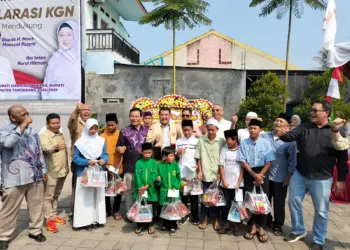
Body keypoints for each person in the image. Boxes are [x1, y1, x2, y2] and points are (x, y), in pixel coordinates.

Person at [278, 101, 348, 250]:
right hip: (300, 173)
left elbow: (342, 158)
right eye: (311, 110)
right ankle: (298, 230)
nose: (311, 113)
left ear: (326, 113)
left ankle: (318, 239)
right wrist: (282, 133)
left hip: (322, 178)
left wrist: (341, 179)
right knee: (293, 202)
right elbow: (289, 137)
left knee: (321, 211)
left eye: (315, 110)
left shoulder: (336, 132)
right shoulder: (304, 127)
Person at [0, 105, 47, 250]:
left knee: (36, 205)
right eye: (22, 114)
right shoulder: (4, 130)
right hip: (13, 177)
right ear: (13, 117)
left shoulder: (32, 131)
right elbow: (8, 144)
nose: (26, 115)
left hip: (34, 175)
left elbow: (38, 151)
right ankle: (4, 236)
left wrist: (43, 169)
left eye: (27, 112)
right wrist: (23, 125)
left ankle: (35, 231)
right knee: (9, 209)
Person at [238, 118, 275, 243]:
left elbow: (269, 161)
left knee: (262, 201)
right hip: (250, 172)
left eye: (255, 128)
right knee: (250, 200)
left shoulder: (266, 143)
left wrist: (260, 175)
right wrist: (254, 175)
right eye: (250, 128)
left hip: (263, 173)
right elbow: (243, 161)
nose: (252, 130)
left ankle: (261, 227)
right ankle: (252, 226)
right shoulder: (244, 143)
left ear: (260, 130)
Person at [261, 113, 297, 236]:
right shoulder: (265, 136)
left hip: (280, 177)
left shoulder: (290, 141)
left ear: (287, 125)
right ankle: (266, 220)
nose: (278, 123)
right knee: (265, 200)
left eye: (281, 121)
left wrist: (288, 177)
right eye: (276, 120)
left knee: (279, 202)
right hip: (265, 176)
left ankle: (278, 225)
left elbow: (292, 160)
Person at [72, 118, 109, 231]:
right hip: (85, 172)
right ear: (86, 128)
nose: (93, 131)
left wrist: (104, 160)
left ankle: (97, 219)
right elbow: (76, 158)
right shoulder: (80, 142)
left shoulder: (101, 141)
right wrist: (87, 162)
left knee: (98, 195)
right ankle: (86, 221)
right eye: (91, 128)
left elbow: (105, 154)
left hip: (97, 172)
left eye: (95, 128)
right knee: (85, 197)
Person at [40, 113, 69, 233]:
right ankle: (48, 220)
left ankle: (54, 214)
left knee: (56, 195)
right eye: (53, 123)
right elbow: (45, 148)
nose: (56, 125)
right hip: (51, 172)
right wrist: (54, 147)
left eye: (58, 122)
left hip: (62, 170)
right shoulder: (44, 135)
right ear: (47, 123)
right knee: (48, 197)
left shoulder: (60, 134)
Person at [195, 118, 226, 231]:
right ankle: (205, 219)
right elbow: (198, 157)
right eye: (209, 130)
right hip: (205, 173)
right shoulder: (201, 140)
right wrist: (200, 171)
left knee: (216, 198)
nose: (211, 132)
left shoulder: (221, 141)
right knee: (205, 198)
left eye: (213, 130)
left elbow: (224, 157)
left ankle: (216, 219)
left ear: (217, 129)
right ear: (206, 129)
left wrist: (220, 173)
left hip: (217, 174)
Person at [117, 108, 148, 212]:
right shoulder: (124, 131)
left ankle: (142, 211)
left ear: (141, 117)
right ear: (129, 117)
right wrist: (120, 149)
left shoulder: (147, 131)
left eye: (137, 116)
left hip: (145, 167)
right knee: (129, 191)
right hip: (130, 166)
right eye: (132, 116)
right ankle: (130, 212)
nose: (134, 118)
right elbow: (119, 146)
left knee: (143, 190)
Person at [42, 21, 81, 100]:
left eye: (69, 35)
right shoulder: (54, 58)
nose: (64, 39)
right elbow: (46, 85)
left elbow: (79, 87)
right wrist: (47, 101)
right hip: (52, 104)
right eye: (61, 35)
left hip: (73, 104)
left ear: (76, 36)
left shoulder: (80, 58)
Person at [67, 103, 91, 218]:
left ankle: (87, 209)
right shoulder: (75, 123)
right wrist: (76, 110)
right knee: (77, 185)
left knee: (89, 185)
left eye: (88, 110)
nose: (86, 112)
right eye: (83, 110)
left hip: (91, 160)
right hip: (78, 160)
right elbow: (71, 122)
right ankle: (74, 210)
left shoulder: (92, 123)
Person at [219, 129, 243, 236]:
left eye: (228, 139)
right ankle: (227, 224)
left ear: (235, 139)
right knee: (227, 204)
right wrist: (223, 180)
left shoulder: (241, 150)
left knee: (238, 204)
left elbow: (243, 168)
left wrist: (238, 183)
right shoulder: (224, 150)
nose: (227, 141)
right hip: (226, 183)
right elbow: (221, 166)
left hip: (238, 184)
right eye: (226, 139)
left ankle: (237, 225)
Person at [176, 120, 200, 225]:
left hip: (193, 172)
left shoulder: (197, 141)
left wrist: (199, 167)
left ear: (192, 129)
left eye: (189, 130)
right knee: (184, 194)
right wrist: (178, 153)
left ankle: (195, 216)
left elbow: (199, 156)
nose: (187, 132)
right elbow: (175, 156)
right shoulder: (179, 141)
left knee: (194, 195)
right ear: (182, 130)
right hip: (182, 172)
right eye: (185, 130)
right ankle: (184, 215)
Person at [100, 113, 123, 220]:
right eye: (108, 125)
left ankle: (116, 211)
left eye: (112, 125)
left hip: (118, 166)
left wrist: (117, 167)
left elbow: (123, 149)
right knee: (106, 190)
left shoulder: (120, 134)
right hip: (106, 167)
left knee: (118, 191)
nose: (110, 127)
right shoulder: (101, 135)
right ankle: (107, 210)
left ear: (117, 124)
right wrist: (107, 166)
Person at [134, 142, 158, 234]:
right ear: (141, 152)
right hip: (140, 190)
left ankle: (150, 225)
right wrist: (141, 187)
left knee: (151, 208)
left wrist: (148, 185)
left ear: (152, 152)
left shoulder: (154, 163)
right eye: (145, 153)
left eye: (149, 153)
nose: (147, 155)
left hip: (151, 190)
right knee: (141, 207)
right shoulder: (138, 163)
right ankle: (140, 225)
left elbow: (154, 174)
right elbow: (137, 175)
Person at [157, 147, 181, 236]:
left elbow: (179, 178)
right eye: (171, 155)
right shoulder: (159, 166)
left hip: (173, 192)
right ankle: (164, 224)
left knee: (173, 209)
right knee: (164, 209)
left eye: (173, 155)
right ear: (164, 156)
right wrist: (158, 180)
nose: (173, 157)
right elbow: (157, 182)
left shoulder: (175, 165)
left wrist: (175, 186)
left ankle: (173, 225)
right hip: (163, 193)